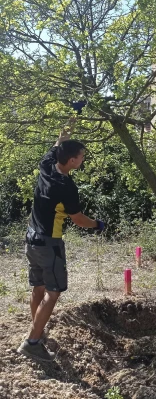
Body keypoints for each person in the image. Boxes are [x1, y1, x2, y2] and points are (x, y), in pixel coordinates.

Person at [17, 121, 105, 362]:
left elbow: (60, 141)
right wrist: (97, 224)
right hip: (49, 243)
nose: (83, 159)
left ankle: (37, 331)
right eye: (81, 156)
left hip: (31, 240)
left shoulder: (47, 164)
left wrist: (71, 120)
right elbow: (77, 219)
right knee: (53, 293)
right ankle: (33, 342)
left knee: (38, 287)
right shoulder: (66, 186)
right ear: (73, 161)